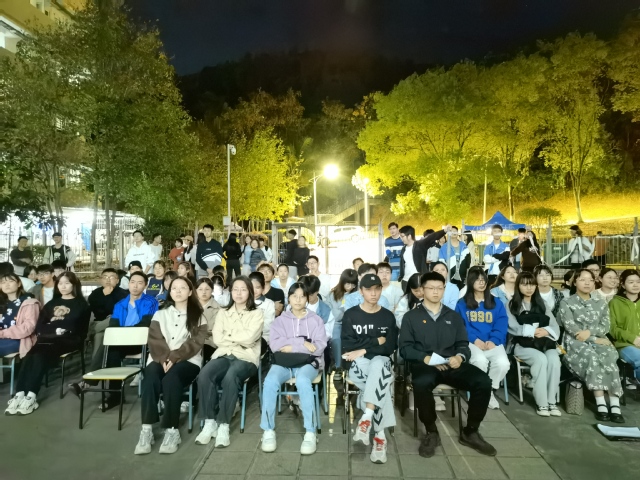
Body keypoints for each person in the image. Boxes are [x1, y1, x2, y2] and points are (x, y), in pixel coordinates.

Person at [400, 271, 496, 458]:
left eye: (439, 288)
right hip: (425, 364)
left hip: (452, 364)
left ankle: (471, 431)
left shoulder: (453, 316)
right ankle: (431, 432)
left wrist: (460, 357)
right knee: (421, 383)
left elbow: (463, 344)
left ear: (444, 289)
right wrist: (425, 358)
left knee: (483, 381)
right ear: (422, 290)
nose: (436, 292)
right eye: (431, 288)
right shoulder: (411, 317)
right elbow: (405, 348)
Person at [134, 276, 208, 455]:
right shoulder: (160, 314)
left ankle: (172, 430)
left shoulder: (199, 317)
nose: (178, 291)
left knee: (171, 379)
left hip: (188, 360)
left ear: (190, 292)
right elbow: (155, 339)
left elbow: (195, 343)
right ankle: (146, 430)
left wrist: (174, 357)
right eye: (174, 288)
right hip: (159, 358)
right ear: (169, 292)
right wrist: (164, 358)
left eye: (183, 288)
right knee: (150, 378)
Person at [71, 271, 159, 407]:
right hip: (121, 342)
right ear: (128, 284)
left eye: (139, 283)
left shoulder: (150, 302)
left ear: (145, 285)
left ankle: (88, 383)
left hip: (140, 341)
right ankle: (114, 396)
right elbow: (113, 325)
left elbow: (145, 324)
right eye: (132, 282)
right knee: (111, 350)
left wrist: (122, 333)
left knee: (109, 345)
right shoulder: (120, 304)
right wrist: (120, 335)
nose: (135, 286)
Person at [8, 272, 90, 415]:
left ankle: (31, 395)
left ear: (74, 285)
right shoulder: (51, 304)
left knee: (40, 355)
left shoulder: (82, 305)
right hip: (48, 338)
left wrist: (56, 329)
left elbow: (77, 328)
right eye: (60, 283)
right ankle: (19, 394)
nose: (63, 286)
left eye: (67, 283)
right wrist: (56, 329)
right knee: (29, 355)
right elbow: (40, 326)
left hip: (70, 340)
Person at [196, 276, 264, 447]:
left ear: (250, 292)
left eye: (243, 289)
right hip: (224, 353)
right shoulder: (223, 312)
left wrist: (229, 336)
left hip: (247, 357)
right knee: (205, 373)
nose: (239, 293)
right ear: (230, 292)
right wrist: (238, 338)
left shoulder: (257, 313)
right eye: (235, 289)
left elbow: (250, 339)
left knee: (231, 376)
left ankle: (223, 424)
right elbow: (217, 339)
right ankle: (210, 422)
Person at [260, 283, 327, 455]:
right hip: (284, 363)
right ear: (288, 298)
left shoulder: (315, 320)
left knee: (303, 381)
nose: (298, 300)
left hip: (308, 363)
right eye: (294, 296)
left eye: (302, 296)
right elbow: (275, 345)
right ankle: (268, 430)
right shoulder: (280, 320)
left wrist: (291, 346)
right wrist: (302, 342)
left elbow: (319, 347)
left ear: (307, 299)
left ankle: (310, 432)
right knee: (270, 381)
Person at [342, 274, 398, 464]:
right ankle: (380, 437)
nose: (373, 293)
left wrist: (364, 349)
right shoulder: (351, 315)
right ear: (361, 291)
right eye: (368, 289)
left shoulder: (387, 316)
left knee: (378, 364)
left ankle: (366, 419)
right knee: (381, 383)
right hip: (357, 364)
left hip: (380, 362)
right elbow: (348, 345)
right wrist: (375, 342)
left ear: (381, 290)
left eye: (377, 289)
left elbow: (390, 346)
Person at [559, 269, 624, 422]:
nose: (587, 283)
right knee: (592, 358)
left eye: (590, 280)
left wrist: (590, 332)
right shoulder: (566, 302)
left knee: (609, 357)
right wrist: (592, 339)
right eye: (582, 279)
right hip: (575, 343)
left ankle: (615, 404)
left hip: (600, 339)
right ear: (575, 282)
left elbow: (605, 326)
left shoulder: (600, 303)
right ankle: (600, 402)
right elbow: (571, 328)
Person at [507, 272, 562, 417]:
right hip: (522, 345)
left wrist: (545, 331)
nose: (529, 288)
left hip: (544, 342)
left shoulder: (542, 304)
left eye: (531, 284)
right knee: (541, 359)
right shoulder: (511, 304)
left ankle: (551, 401)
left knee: (554, 360)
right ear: (518, 286)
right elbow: (511, 326)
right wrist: (532, 331)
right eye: (524, 284)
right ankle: (542, 403)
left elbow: (554, 326)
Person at [456, 267, 510, 410]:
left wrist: (494, 340)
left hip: (492, 342)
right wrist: (475, 340)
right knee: (479, 361)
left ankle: (489, 391)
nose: (481, 283)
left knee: (503, 363)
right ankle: (479, 391)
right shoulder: (462, 303)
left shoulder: (496, 302)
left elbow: (502, 323)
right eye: (477, 280)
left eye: (483, 280)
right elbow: (460, 326)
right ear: (470, 282)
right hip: (472, 342)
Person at [86, 268, 128, 358]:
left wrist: (107, 296)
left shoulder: (123, 294)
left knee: (114, 318)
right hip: (101, 323)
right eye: (105, 277)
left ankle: (92, 330)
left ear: (117, 281)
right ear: (101, 280)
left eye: (111, 277)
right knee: (99, 336)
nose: (108, 280)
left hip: (117, 326)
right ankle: (96, 365)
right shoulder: (95, 294)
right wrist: (105, 296)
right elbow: (97, 311)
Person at [609, 269, 640, 388]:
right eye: (631, 282)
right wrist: (632, 338)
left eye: (638, 281)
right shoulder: (615, 303)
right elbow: (612, 328)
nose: (636, 285)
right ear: (622, 285)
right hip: (624, 344)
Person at [325, 268, 358, 377]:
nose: (350, 287)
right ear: (342, 282)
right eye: (347, 284)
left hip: (353, 323)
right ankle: (338, 366)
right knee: (336, 338)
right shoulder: (332, 294)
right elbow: (330, 313)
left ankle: (353, 365)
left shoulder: (357, 294)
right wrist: (342, 312)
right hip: (337, 323)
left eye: (353, 284)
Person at [0, 273, 40, 359]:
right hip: (2, 338)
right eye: (3, 282)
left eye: (11, 281)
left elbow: (28, 328)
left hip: (20, 340)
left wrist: (2, 333)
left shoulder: (29, 302)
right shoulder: (2, 304)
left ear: (18, 284)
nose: (7, 284)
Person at [399, 225, 448, 290]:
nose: (401, 238)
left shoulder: (420, 245)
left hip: (419, 279)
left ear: (409, 236)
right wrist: (401, 276)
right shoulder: (403, 249)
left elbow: (432, 237)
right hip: (406, 281)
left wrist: (444, 231)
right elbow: (402, 264)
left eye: (402, 236)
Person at [300, 275, 335, 350]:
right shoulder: (295, 305)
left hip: (317, 346)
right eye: (306, 294)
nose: (308, 297)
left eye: (311, 295)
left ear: (318, 291)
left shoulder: (326, 310)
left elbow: (327, 334)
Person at [194, 278, 221, 361]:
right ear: (195, 290)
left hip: (209, 343)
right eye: (200, 289)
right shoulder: (189, 307)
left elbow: (213, 330)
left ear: (212, 290)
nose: (204, 292)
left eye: (207, 289)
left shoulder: (218, 309)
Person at [249, 272, 276, 344]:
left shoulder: (269, 303)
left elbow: (268, 325)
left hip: (263, 337)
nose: (254, 290)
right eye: (251, 287)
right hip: (245, 336)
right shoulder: (243, 302)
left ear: (263, 288)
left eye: (257, 287)